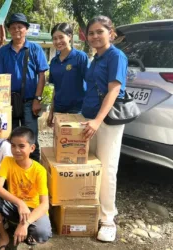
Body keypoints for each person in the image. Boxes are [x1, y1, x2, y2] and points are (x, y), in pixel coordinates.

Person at [82, 16, 128, 242]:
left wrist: (98, 120)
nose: (95, 36)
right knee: (90, 165)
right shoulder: (96, 59)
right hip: (89, 117)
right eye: (91, 33)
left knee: (107, 168)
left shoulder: (116, 56)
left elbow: (113, 90)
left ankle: (108, 219)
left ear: (111, 32)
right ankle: (89, 208)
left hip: (106, 121)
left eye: (100, 31)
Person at [0, 127, 52, 249]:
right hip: (14, 205)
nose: (16, 150)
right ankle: (4, 236)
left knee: (42, 234)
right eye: (13, 146)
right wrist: (20, 203)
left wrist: (25, 223)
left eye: (21, 146)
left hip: (33, 209)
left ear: (32, 148)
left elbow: (45, 205)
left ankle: (23, 227)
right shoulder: (8, 161)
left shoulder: (40, 170)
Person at [0, 13, 49, 161]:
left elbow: (42, 76)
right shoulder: (3, 51)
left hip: (30, 101)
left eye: (20, 27)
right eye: (13, 27)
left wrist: (38, 99)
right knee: (9, 138)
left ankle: (34, 169)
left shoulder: (35, 49)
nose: (17, 30)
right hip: (8, 103)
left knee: (30, 138)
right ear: (9, 30)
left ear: (26, 29)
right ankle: (13, 172)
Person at [47, 23, 89, 126]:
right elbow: (56, 89)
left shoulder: (80, 57)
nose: (58, 41)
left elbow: (91, 82)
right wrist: (51, 111)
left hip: (77, 109)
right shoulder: (54, 62)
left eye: (61, 37)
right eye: (54, 38)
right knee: (60, 141)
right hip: (59, 109)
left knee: (75, 141)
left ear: (69, 36)